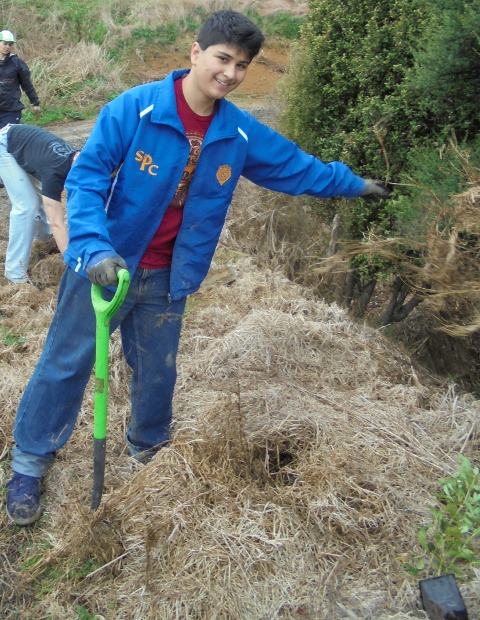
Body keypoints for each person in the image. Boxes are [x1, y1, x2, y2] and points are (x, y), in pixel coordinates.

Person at [5, 10, 391, 525]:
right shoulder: (136, 109)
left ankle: (148, 451)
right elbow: (88, 178)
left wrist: (356, 185)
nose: (230, 73)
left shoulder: (237, 132)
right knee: (66, 363)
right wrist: (93, 248)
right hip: (106, 267)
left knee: (157, 372)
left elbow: (296, 168)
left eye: (242, 65)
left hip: (171, 276)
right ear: (195, 52)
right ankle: (30, 462)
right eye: (222, 59)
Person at [0, 124, 79, 284]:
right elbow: (57, 223)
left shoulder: (76, 158)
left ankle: (45, 240)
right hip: (5, 144)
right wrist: (72, 263)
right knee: (27, 206)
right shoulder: (54, 172)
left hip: (24, 142)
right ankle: (15, 274)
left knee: (40, 198)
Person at [0, 30, 40, 127]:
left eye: (10, 44)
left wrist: (35, 102)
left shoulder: (17, 63)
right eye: (5, 43)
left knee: (6, 136)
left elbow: (27, 84)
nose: (7, 47)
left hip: (10, 111)